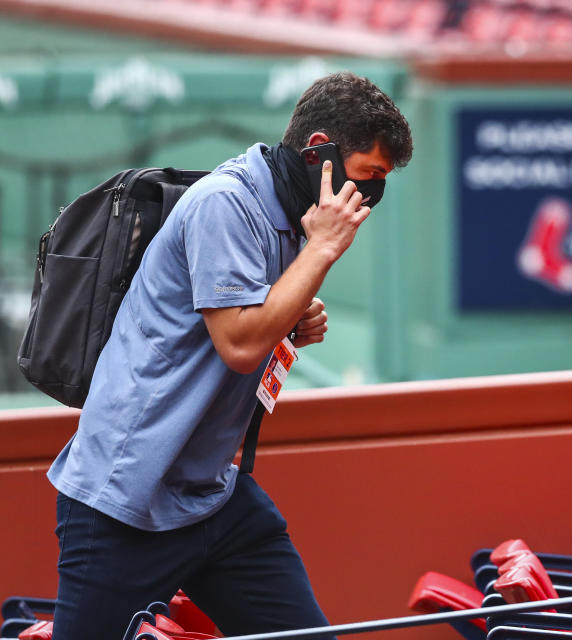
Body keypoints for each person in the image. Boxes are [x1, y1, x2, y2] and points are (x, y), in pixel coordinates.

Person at [46, 71, 413, 640]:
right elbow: (241, 344)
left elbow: (253, 324)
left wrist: (291, 316)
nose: (367, 197)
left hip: (213, 496)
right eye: (367, 176)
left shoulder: (297, 214)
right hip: (126, 499)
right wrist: (319, 251)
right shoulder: (227, 203)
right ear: (320, 153)